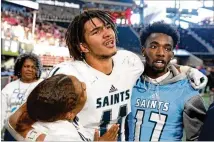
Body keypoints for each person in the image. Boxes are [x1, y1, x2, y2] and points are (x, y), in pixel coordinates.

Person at [7, 10, 207, 141]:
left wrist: (187, 70)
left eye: (108, 27)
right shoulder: (69, 76)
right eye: (96, 31)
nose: (108, 33)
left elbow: (157, 63)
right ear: (83, 46)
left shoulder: (129, 61)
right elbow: (16, 121)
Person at [127, 21, 207, 141]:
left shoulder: (187, 92)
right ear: (143, 50)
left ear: (172, 54)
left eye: (167, 48)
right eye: (154, 46)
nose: (160, 53)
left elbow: (198, 138)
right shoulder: (129, 83)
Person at [8, 74, 119, 141]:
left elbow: (12, 122)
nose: (84, 84)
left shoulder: (44, 119)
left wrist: (46, 90)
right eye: (82, 90)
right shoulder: (63, 136)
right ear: (69, 113)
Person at [1, 53, 43, 140]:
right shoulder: (9, 87)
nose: (30, 69)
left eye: (33, 67)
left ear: (37, 70)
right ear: (20, 68)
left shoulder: (43, 85)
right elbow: (1, 112)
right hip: (10, 132)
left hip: (34, 132)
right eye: (26, 66)